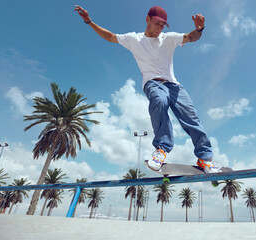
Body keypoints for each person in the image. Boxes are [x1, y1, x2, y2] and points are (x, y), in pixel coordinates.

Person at [75, 5, 220, 173]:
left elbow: (190, 37)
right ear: (148, 19)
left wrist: (199, 28)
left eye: (162, 25)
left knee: (190, 116)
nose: (159, 28)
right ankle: (161, 149)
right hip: (152, 82)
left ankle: (205, 158)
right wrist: (89, 22)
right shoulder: (133, 39)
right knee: (159, 100)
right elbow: (110, 36)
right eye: (157, 23)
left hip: (173, 84)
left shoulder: (169, 38)